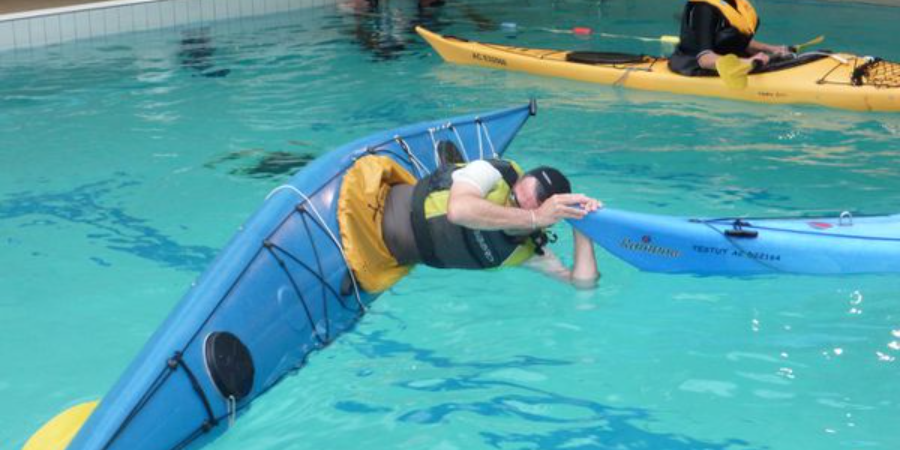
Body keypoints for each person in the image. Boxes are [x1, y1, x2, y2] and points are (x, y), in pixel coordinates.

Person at [379, 149, 601, 290]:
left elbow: (582, 284)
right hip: (377, 210)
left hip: (387, 259)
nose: (510, 203)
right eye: (513, 195)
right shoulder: (493, 172)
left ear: (548, 222)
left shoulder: (527, 252)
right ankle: (452, 170)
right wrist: (534, 216)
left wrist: (582, 226)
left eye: (522, 206)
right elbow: (458, 211)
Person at [668, 0, 791, 76]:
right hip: (695, 65)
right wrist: (748, 62)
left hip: (730, 57)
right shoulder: (703, 8)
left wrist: (772, 49)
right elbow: (705, 60)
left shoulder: (734, 4)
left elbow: (735, 40)